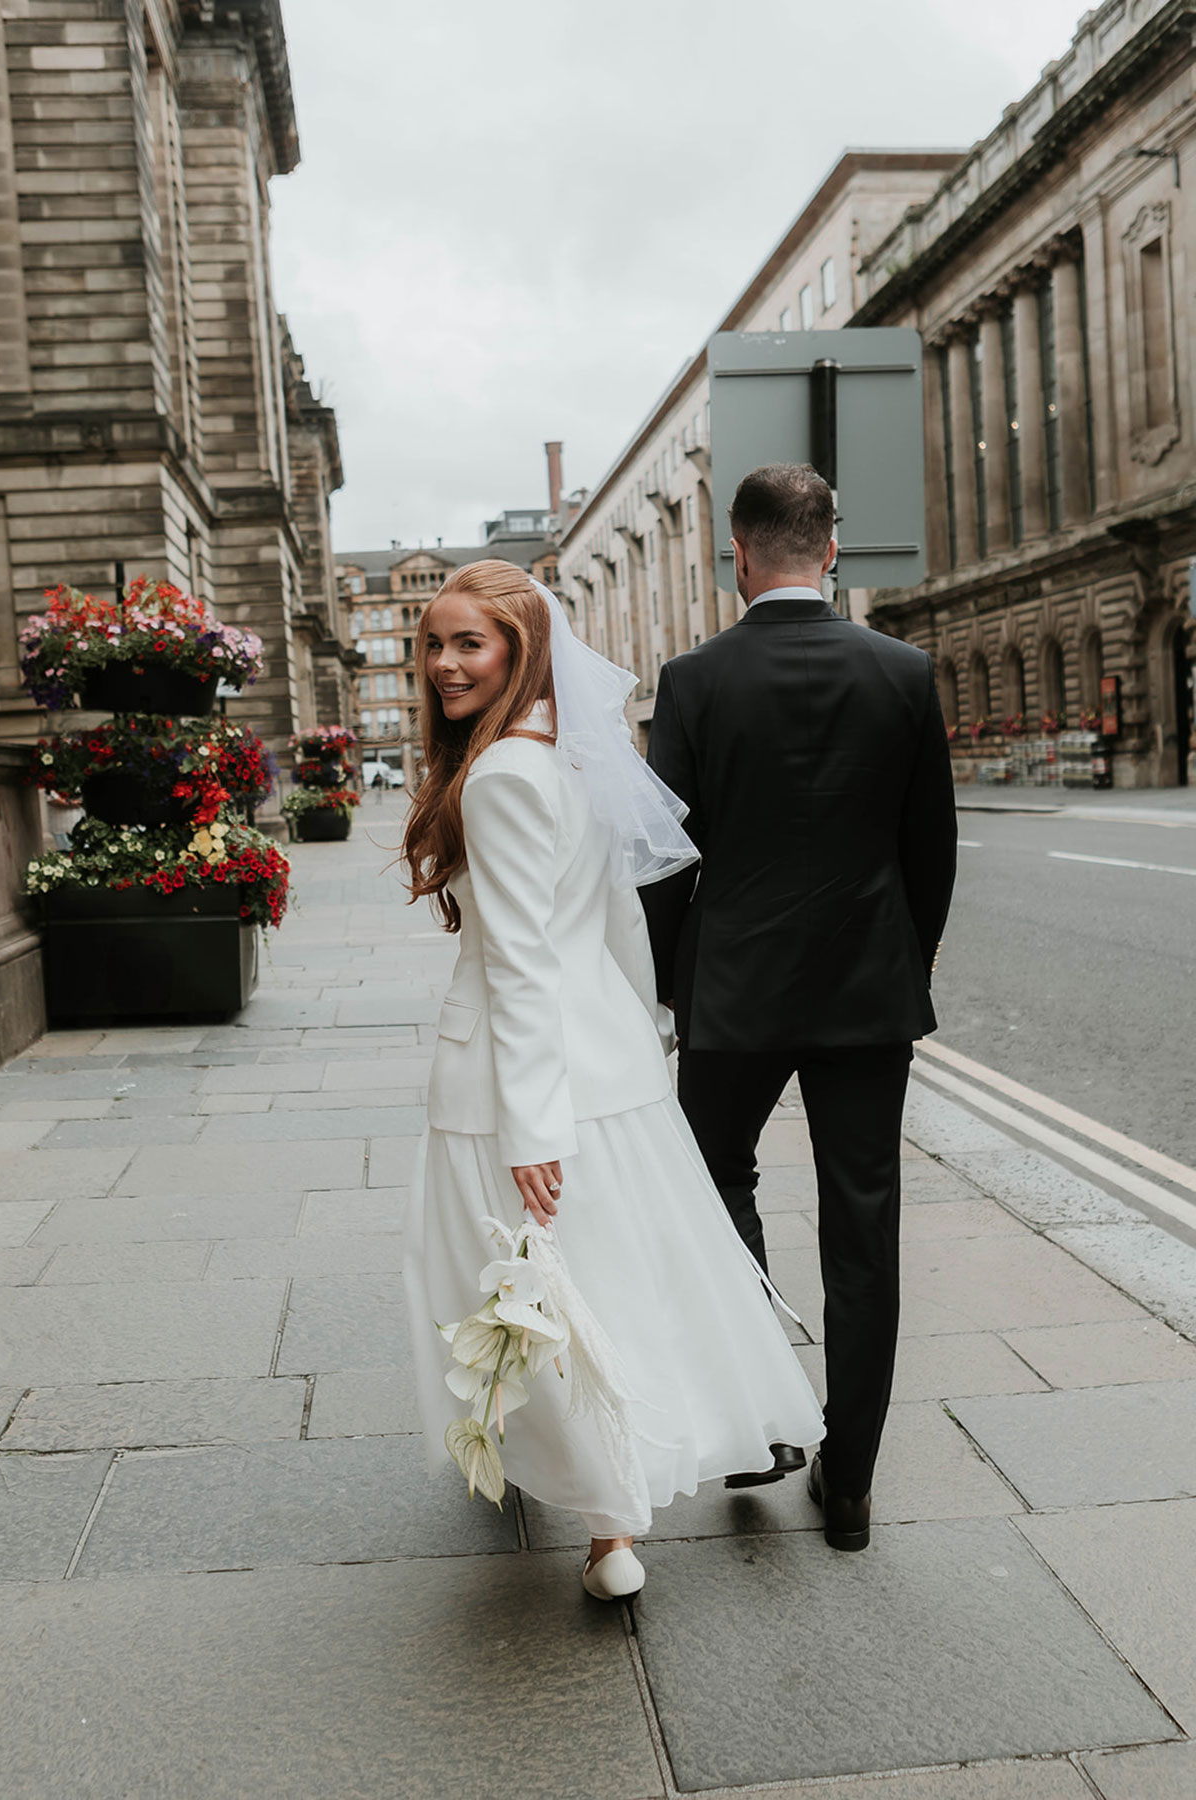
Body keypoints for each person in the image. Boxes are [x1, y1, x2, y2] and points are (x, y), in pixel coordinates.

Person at [401, 558, 823, 1605]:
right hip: (611, 1066)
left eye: (470, 643)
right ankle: (604, 1521)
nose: (445, 664)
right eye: (433, 643)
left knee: (516, 1291)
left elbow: (521, 967)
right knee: (613, 1286)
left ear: (521, 650)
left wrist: (532, 1127)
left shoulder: (498, 775)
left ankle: (605, 1529)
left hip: (516, 1080)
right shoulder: (573, 757)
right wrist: (640, 1042)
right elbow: (623, 925)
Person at [641, 463, 957, 1553]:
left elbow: (663, 863)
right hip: (869, 987)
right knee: (864, 1227)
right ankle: (852, 1480)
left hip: (733, 987)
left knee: (717, 1183)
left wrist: (675, 980)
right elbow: (932, 855)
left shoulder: (691, 682)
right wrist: (898, 964)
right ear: (833, 550)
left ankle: (761, 1415)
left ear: (738, 554)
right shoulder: (904, 673)